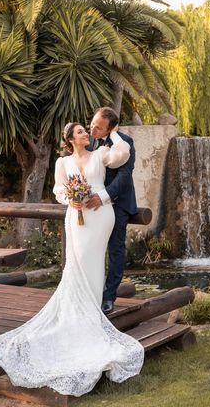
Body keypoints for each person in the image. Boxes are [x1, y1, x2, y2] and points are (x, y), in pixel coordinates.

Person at [0, 122, 144, 396]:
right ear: (70, 139)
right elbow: (59, 190)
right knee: (77, 263)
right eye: (81, 131)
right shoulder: (62, 162)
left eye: (87, 130)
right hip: (76, 217)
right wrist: (69, 200)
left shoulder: (102, 153)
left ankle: (92, 317)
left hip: (100, 213)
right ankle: (81, 317)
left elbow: (124, 154)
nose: (86, 134)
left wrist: (114, 131)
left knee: (93, 263)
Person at [85, 107, 138, 315]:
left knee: (115, 251)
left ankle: (108, 298)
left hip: (117, 203)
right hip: (92, 204)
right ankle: (91, 293)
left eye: (98, 128)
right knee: (92, 248)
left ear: (111, 128)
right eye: (92, 125)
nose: (92, 130)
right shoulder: (88, 141)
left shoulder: (125, 143)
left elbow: (124, 177)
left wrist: (103, 196)